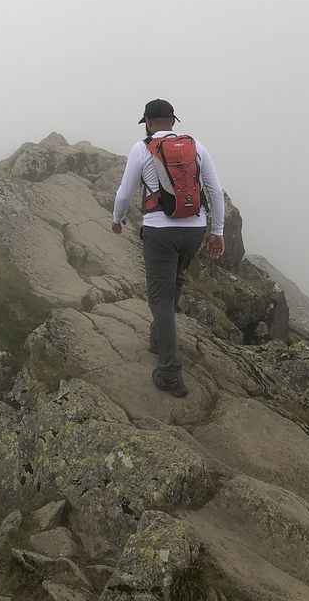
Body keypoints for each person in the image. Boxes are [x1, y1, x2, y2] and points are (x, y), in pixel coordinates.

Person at [112, 98, 225, 398]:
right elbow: (214, 191)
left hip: (160, 232)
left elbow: (125, 192)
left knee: (159, 297)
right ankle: (157, 338)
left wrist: (117, 218)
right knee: (174, 283)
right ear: (173, 120)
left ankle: (170, 373)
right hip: (194, 230)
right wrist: (217, 231)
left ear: (148, 123)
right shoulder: (196, 146)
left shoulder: (142, 148)